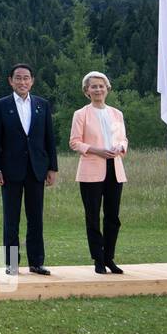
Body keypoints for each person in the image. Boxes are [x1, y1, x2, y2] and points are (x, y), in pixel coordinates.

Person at [0, 63, 58, 275]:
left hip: (37, 169)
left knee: (35, 217)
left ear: (32, 81)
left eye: (26, 78)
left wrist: (52, 167)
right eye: (18, 78)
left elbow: (49, 138)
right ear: (11, 81)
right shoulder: (1, 105)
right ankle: (12, 263)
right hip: (10, 170)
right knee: (11, 218)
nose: (22, 82)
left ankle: (36, 262)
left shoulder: (42, 105)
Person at [69, 71, 129, 274]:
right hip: (91, 171)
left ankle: (109, 257)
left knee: (113, 216)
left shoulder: (116, 113)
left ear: (107, 88)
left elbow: (123, 139)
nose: (98, 89)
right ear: (87, 91)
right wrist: (97, 150)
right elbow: (75, 142)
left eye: (101, 86)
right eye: (93, 86)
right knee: (93, 216)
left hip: (115, 169)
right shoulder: (81, 114)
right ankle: (98, 259)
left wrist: (120, 148)